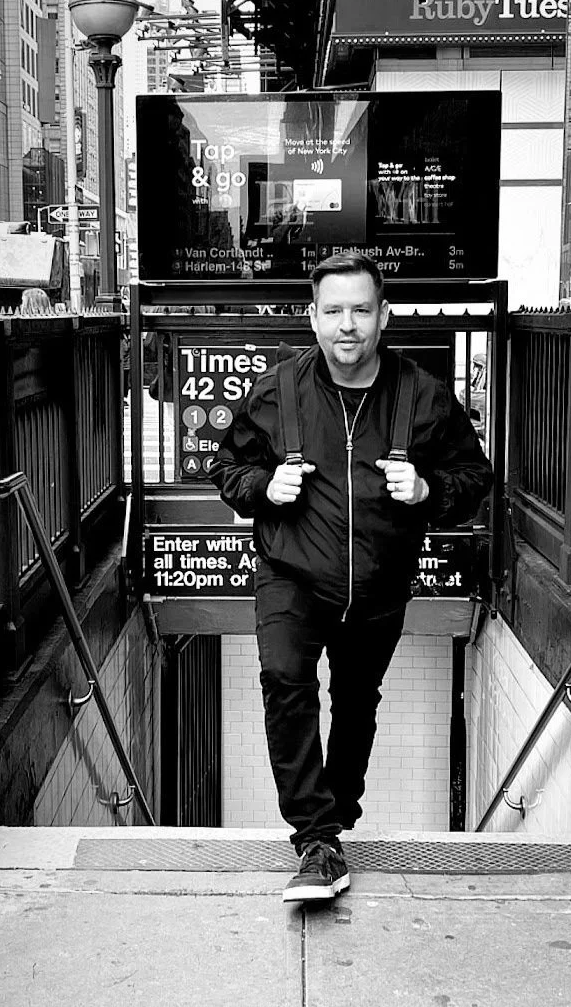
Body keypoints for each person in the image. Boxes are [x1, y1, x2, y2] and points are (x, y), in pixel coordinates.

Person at [210, 251, 493, 903]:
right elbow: (226, 467)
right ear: (312, 318)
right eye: (333, 310)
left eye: (361, 310)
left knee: (358, 701)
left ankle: (333, 820)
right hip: (291, 572)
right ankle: (316, 838)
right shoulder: (277, 391)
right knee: (285, 680)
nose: (347, 325)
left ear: (383, 316)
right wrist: (263, 487)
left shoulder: (422, 395)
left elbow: (475, 475)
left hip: (378, 585)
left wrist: (427, 489)